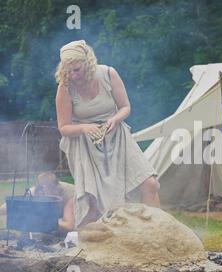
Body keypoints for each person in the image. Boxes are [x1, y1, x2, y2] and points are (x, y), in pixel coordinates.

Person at [54, 40, 160, 230]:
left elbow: (125, 107)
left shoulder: (108, 74)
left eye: (76, 69)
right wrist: (85, 128)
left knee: (149, 184)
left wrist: (115, 120)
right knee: (93, 202)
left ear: (87, 63)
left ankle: (159, 231)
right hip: (85, 144)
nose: (72, 75)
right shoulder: (65, 87)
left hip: (117, 137)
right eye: (68, 70)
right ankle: (93, 243)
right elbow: (63, 127)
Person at [0, 171, 75, 232]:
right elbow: (12, 205)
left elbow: (69, 226)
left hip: (77, 215)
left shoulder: (69, 195)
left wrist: (46, 220)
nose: (47, 192)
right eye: (43, 190)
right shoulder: (35, 191)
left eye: (51, 189)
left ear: (56, 187)